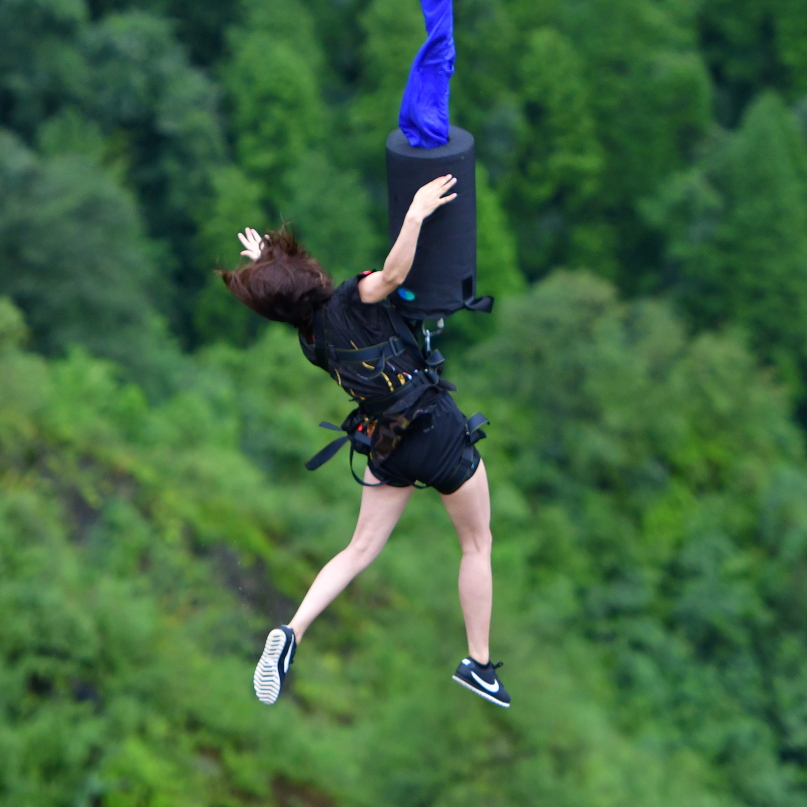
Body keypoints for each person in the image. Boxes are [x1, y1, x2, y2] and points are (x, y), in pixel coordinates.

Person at [220, 174, 509, 708]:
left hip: (386, 443)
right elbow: (393, 275)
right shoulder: (353, 298)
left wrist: (265, 264)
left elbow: (294, 298)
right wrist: (416, 211)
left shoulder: (310, 338)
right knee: (476, 543)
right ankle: (479, 662)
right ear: (309, 275)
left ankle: (292, 631)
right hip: (435, 428)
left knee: (358, 550)